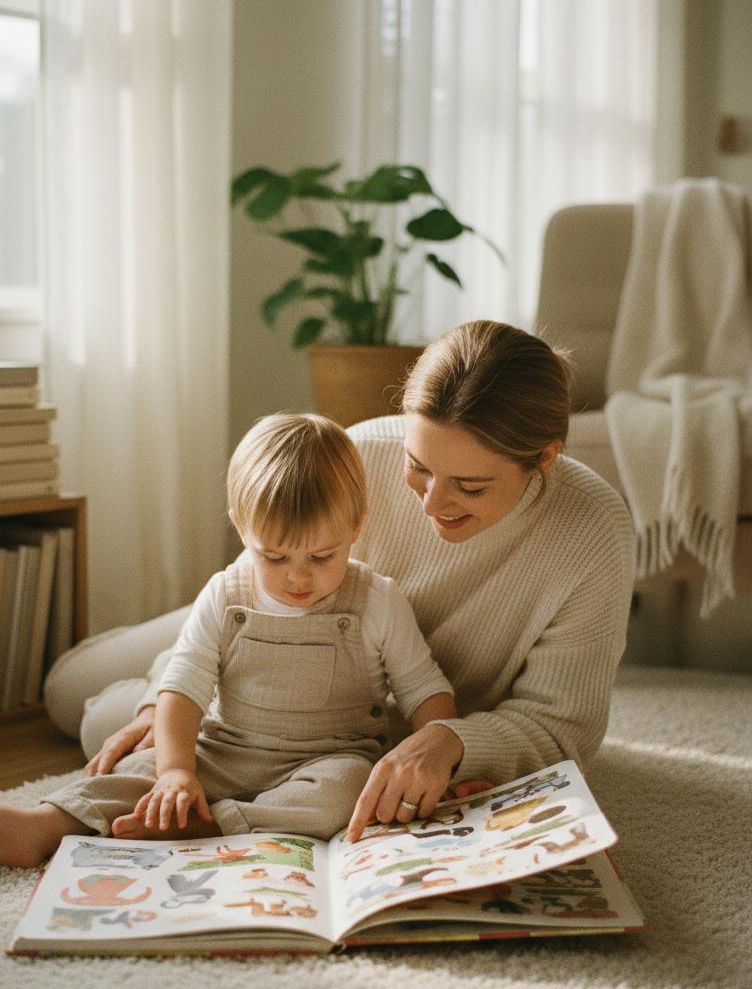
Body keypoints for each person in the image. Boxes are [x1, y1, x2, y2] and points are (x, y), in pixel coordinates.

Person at [43, 320, 635, 843]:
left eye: (471, 488)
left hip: (356, 729)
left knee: (104, 730)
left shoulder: (594, 532)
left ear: (545, 459)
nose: (432, 503)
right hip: (261, 628)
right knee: (82, 706)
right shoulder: (360, 454)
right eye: (419, 468)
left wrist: (454, 742)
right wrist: (166, 706)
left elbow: (562, 728)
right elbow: (264, 575)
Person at [0, 413, 459, 867]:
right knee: (136, 770)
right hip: (223, 747)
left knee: (345, 794)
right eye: (275, 557)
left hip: (327, 758)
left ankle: (211, 826)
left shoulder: (377, 600)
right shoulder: (226, 592)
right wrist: (175, 771)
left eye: (322, 557)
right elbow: (183, 686)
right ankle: (42, 825)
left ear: (356, 526)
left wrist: (440, 764)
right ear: (241, 528)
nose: (298, 578)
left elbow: (422, 691)